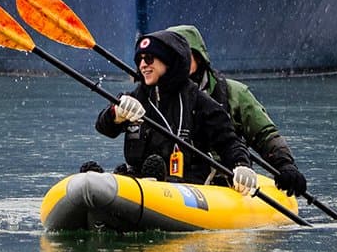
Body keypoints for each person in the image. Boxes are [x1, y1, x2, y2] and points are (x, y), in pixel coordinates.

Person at [95, 30, 258, 195]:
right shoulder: (134, 98)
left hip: (188, 185)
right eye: (139, 60)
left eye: (149, 59)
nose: (143, 65)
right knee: (93, 171)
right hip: (138, 180)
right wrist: (116, 113)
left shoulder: (197, 100)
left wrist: (241, 165)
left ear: (169, 61)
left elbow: (229, 141)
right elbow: (104, 127)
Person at [165, 24, 309, 197]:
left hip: (219, 180)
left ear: (199, 57)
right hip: (171, 178)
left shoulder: (234, 93)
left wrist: (285, 165)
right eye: (170, 57)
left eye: (183, 56)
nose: (177, 62)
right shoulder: (155, 95)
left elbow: (265, 134)